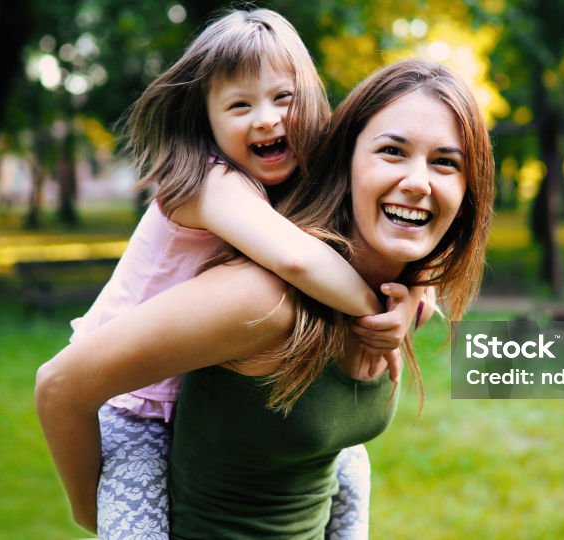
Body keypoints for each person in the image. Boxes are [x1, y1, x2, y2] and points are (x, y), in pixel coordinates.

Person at [36, 58, 494, 538]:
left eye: (445, 162)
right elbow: (60, 386)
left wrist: (411, 300)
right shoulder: (263, 301)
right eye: (392, 151)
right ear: (346, 160)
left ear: (468, 190)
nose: (419, 182)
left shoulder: (400, 299)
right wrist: (90, 510)